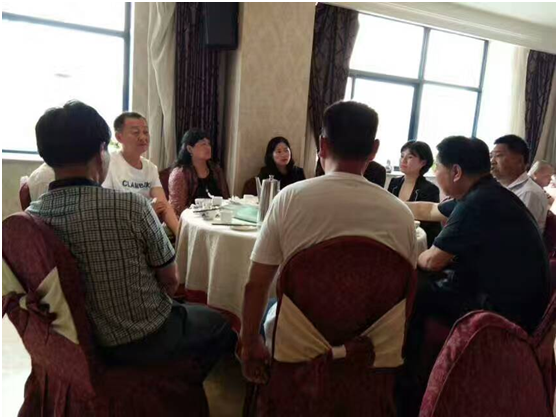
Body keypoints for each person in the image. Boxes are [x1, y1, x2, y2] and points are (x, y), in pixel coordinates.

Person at [27, 101, 235, 375]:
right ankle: (177, 386)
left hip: (72, 343)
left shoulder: (32, 218)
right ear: (102, 152)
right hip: (141, 337)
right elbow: (170, 279)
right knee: (222, 325)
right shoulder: (131, 206)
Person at [240, 101, 417, 384]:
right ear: (374, 150)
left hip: (297, 347)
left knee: (275, 302)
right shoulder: (402, 215)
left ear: (322, 145)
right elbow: (405, 296)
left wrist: (249, 343)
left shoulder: (289, 199)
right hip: (369, 352)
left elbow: (256, 284)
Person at [402, 136, 550, 415]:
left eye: (437, 167)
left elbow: (432, 261)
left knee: (414, 284)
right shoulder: (486, 193)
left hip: (502, 312)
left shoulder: (478, 203)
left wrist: (410, 254)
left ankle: (413, 380)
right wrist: (387, 204)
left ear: (456, 172)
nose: (436, 173)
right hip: (517, 298)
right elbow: (430, 209)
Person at [102, 112, 179, 236]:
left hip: (146, 230)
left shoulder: (150, 168)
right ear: (119, 137)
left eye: (146, 132)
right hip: (118, 231)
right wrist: (146, 211)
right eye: (135, 132)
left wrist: (181, 236)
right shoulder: (108, 164)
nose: (143, 137)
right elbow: (108, 207)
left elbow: (163, 205)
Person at [388, 141, 441, 245]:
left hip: (416, 239)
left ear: (423, 163)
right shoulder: (394, 183)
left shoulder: (430, 189)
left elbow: (429, 225)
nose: (403, 160)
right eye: (402, 156)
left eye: (410, 157)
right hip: (393, 234)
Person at [491, 135, 548, 231]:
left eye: (498, 155)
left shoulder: (529, 193)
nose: (492, 161)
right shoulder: (499, 187)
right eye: (491, 156)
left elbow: (517, 232)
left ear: (519, 161)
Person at [169, 129, 230, 216]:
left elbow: (226, 199)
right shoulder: (180, 174)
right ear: (190, 149)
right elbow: (178, 209)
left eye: (208, 144)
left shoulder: (216, 170)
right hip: (192, 219)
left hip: (217, 218)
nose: (208, 147)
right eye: (203, 144)